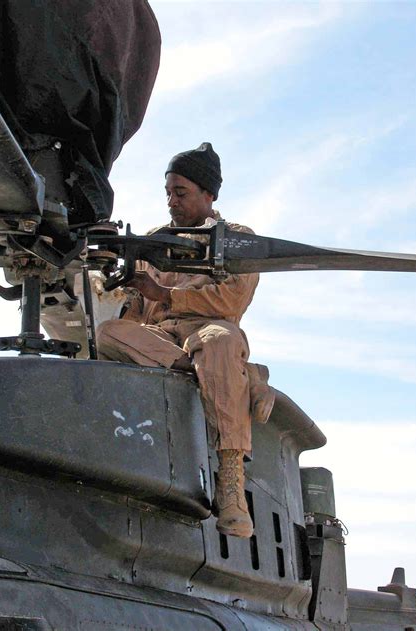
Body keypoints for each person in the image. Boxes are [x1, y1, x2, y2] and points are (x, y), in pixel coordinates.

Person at [97, 142, 274, 538]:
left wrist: (167, 295)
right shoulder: (156, 240)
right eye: (168, 194)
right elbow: (134, 307)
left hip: (210, 330)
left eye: (181, 193)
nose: (171, 202)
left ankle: (230, 478)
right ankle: (232, 378)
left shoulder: (236, 239)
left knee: (218, 344)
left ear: (209, 194)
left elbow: (231, 296)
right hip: (164, 342)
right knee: (109, 334)